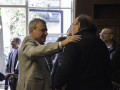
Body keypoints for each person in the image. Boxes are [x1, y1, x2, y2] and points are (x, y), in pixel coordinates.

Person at [16, 18, 81, 90]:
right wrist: (61, 43)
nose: (46, 33)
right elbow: (32, 52)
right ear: (31, 30)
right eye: (43, 30)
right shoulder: (28, 40)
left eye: (46, 30)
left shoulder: (38, 45)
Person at [53, 14, 113, 90]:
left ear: (78, 26)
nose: (71, 29)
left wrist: (57, 85)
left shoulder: (74, 42)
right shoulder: (101, 43)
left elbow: (65, 69)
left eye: (72, 26)